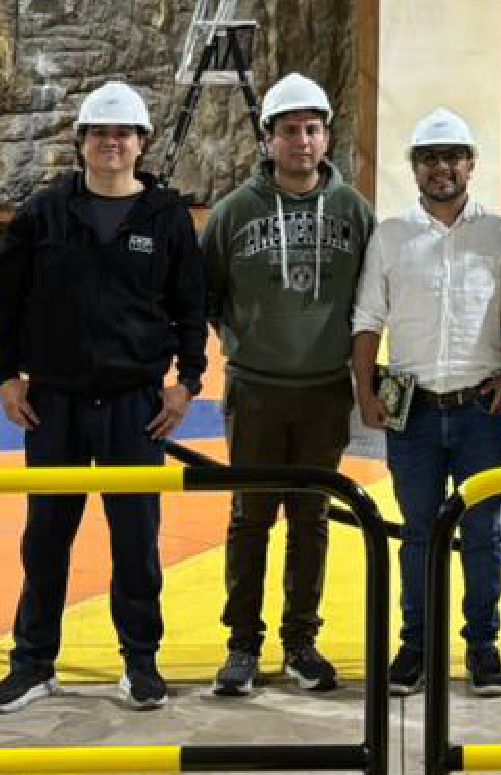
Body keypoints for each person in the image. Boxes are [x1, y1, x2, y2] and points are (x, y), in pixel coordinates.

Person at [0, 80, 222, 712]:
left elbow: (190, 305)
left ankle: (141, 662)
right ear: (80, 141)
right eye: (99, 133)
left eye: (124, 134)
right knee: (46, 539)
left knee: (136, 540)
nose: (111, 144)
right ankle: (33, 663)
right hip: (54, 404)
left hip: (135, 406)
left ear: (142, 143)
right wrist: (5, 375)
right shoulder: (44, 213)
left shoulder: (167, 217)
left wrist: (188, 382)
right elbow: (6, 298)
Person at [353, 111, 501, 702]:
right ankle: (416, 647)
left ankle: (483, 647)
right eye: (429, 157)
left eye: (453, 156)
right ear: (415, 169)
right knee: (418, 534)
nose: (442, 168)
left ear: (471, 165)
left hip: (481, 409)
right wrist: (364, 390)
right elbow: (367, 318)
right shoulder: (391, 235)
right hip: (415, 413)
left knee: (483, 533)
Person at [200, 73, 366, 698]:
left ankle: (301, 641)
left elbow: (369, 298)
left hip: (325, 389)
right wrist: (250, 344)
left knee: (312, 518)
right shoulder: (235, 212)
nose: (301, 140)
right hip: (257, 391)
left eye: (312, 128)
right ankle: (241, 644)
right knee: (250, 518)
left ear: (326, 136)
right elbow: (207, 295)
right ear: (267, 138)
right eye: (289, 129)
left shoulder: (353, 211)